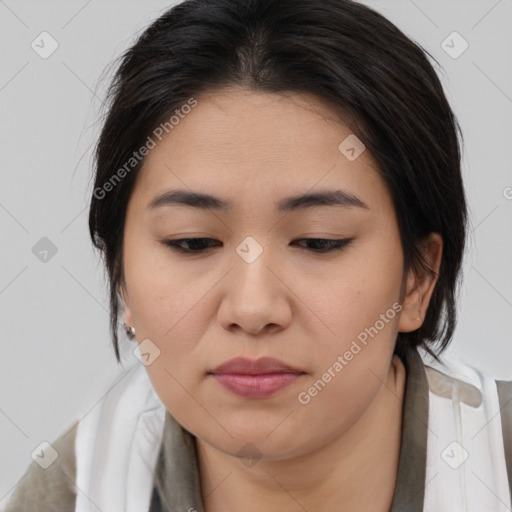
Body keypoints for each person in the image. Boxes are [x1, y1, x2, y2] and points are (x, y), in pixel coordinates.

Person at [4, 0, 512, 511]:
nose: (252, 309)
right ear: (121, 278)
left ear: (417, 279)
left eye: (319, 241)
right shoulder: (71, 494)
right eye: (192, 242)